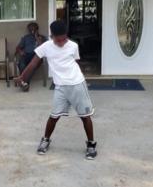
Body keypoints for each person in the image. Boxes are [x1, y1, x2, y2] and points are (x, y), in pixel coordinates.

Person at [14, 20, 97, 160]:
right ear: (52, 36)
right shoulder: (45, 47)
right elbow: (33, 63)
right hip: (60, 87)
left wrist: (80, 78)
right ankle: (45, 139)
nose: (62, 42)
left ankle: (91, 144)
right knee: (54, 116)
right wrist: (22, 77)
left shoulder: (73, 46)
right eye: (58, 40)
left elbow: (75, 63)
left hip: (77, 84)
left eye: (64, 39)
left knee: (85, 116)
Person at [15, 22, 47, 91]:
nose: (31, 30)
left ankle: (24, 83)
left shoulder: (42, 37)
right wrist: (20, 51)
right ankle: (25, 83)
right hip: (26, 55)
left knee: (32, 67)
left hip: (37, 56)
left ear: (37, 29)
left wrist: (36, 37)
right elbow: (18, 47)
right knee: (22, 65)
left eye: (33, 29)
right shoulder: (25, 37)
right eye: (30, 29)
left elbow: (43, 47)